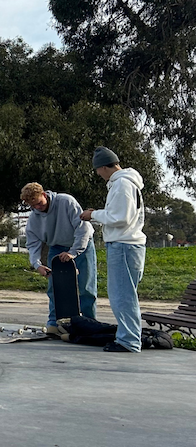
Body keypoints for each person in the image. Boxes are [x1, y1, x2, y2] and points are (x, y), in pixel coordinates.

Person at [80, 147, 146, 353]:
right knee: (125, 294)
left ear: (103, 166)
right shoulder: (126, 183)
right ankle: (129, 338)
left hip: (123, 245)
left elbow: (120, 218)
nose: (98, 174)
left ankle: (129, 341)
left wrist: (94, 215)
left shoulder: (122, 184)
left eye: (97, 170)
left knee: (122, 295)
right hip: (128, 245)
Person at [20, 182, 97, 326]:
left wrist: (73, 252)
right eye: (33, 206)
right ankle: (55, 323)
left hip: (82, 245)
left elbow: (83, 229)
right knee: (55, 287)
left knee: (85, 287)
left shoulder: (66, 201)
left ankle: (89, 323)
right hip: (56, 247)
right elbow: (32, 244)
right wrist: (37, 265)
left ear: (44, 194)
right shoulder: (34, 219)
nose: (38, 208)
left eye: (39, 203)